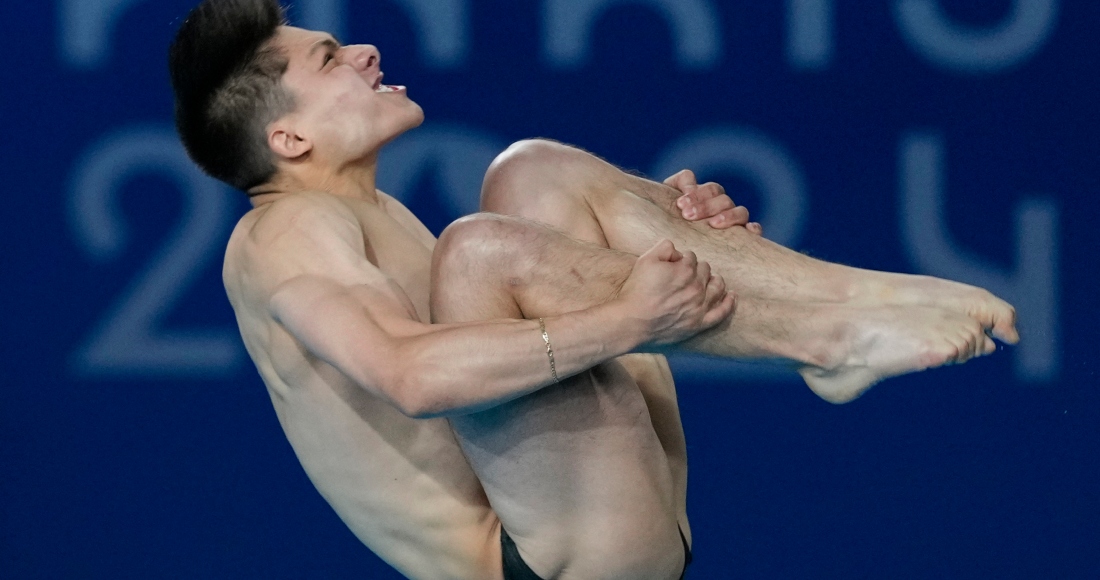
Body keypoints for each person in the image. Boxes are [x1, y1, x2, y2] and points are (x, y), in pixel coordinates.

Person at [168, 1, 1018, 578]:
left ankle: (854, 308)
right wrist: (627, 317)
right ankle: (824, 338)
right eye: (330, 60)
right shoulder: (281, 234)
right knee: (479, 253)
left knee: (534, 172)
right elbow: (410, 376)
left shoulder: (374, 211)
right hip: (539, 561)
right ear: (288, 138)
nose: (365, 53)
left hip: (608, 514)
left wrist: (667, 226)